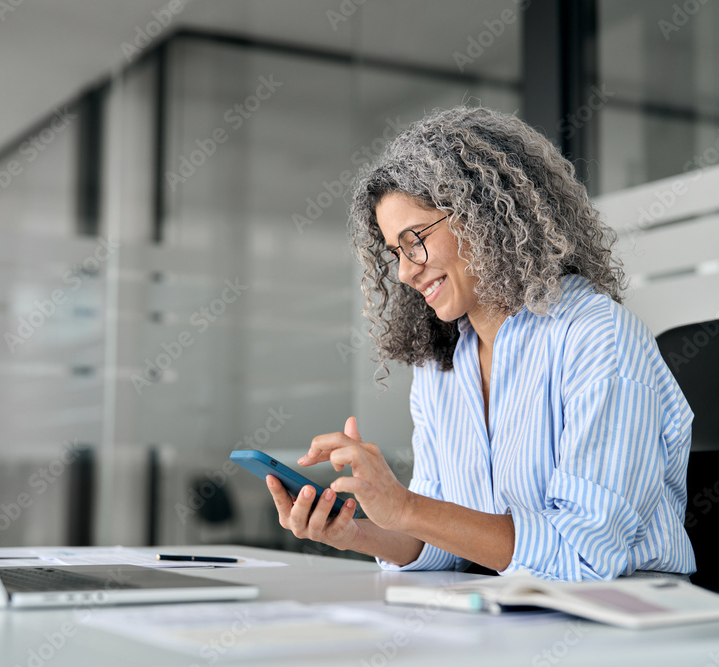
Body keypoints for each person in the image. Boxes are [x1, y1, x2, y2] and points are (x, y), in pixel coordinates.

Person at [267, 107, 696, 581]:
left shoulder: (598, 338)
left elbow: (584, 558)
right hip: (515, 617)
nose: (406, 271)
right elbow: (441, 543)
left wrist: (406, 506)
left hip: (627, 623)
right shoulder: (442, 367)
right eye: (395, 253)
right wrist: (350, 531)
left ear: (483, 216)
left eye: (415, 241)